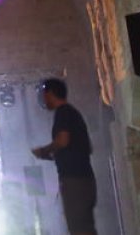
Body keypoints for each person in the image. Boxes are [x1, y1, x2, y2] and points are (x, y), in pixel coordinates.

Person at [31, 78, 96, 235]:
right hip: (82, 178)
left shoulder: (64, 112)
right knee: (83, 226)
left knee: (79, 228)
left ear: (51, 93)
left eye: (44, 94)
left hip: (75, 180)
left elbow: (63, 140)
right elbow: (80, 148)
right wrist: (51, 155)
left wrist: (44, 150)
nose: (43, 99)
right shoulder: (72, 113)